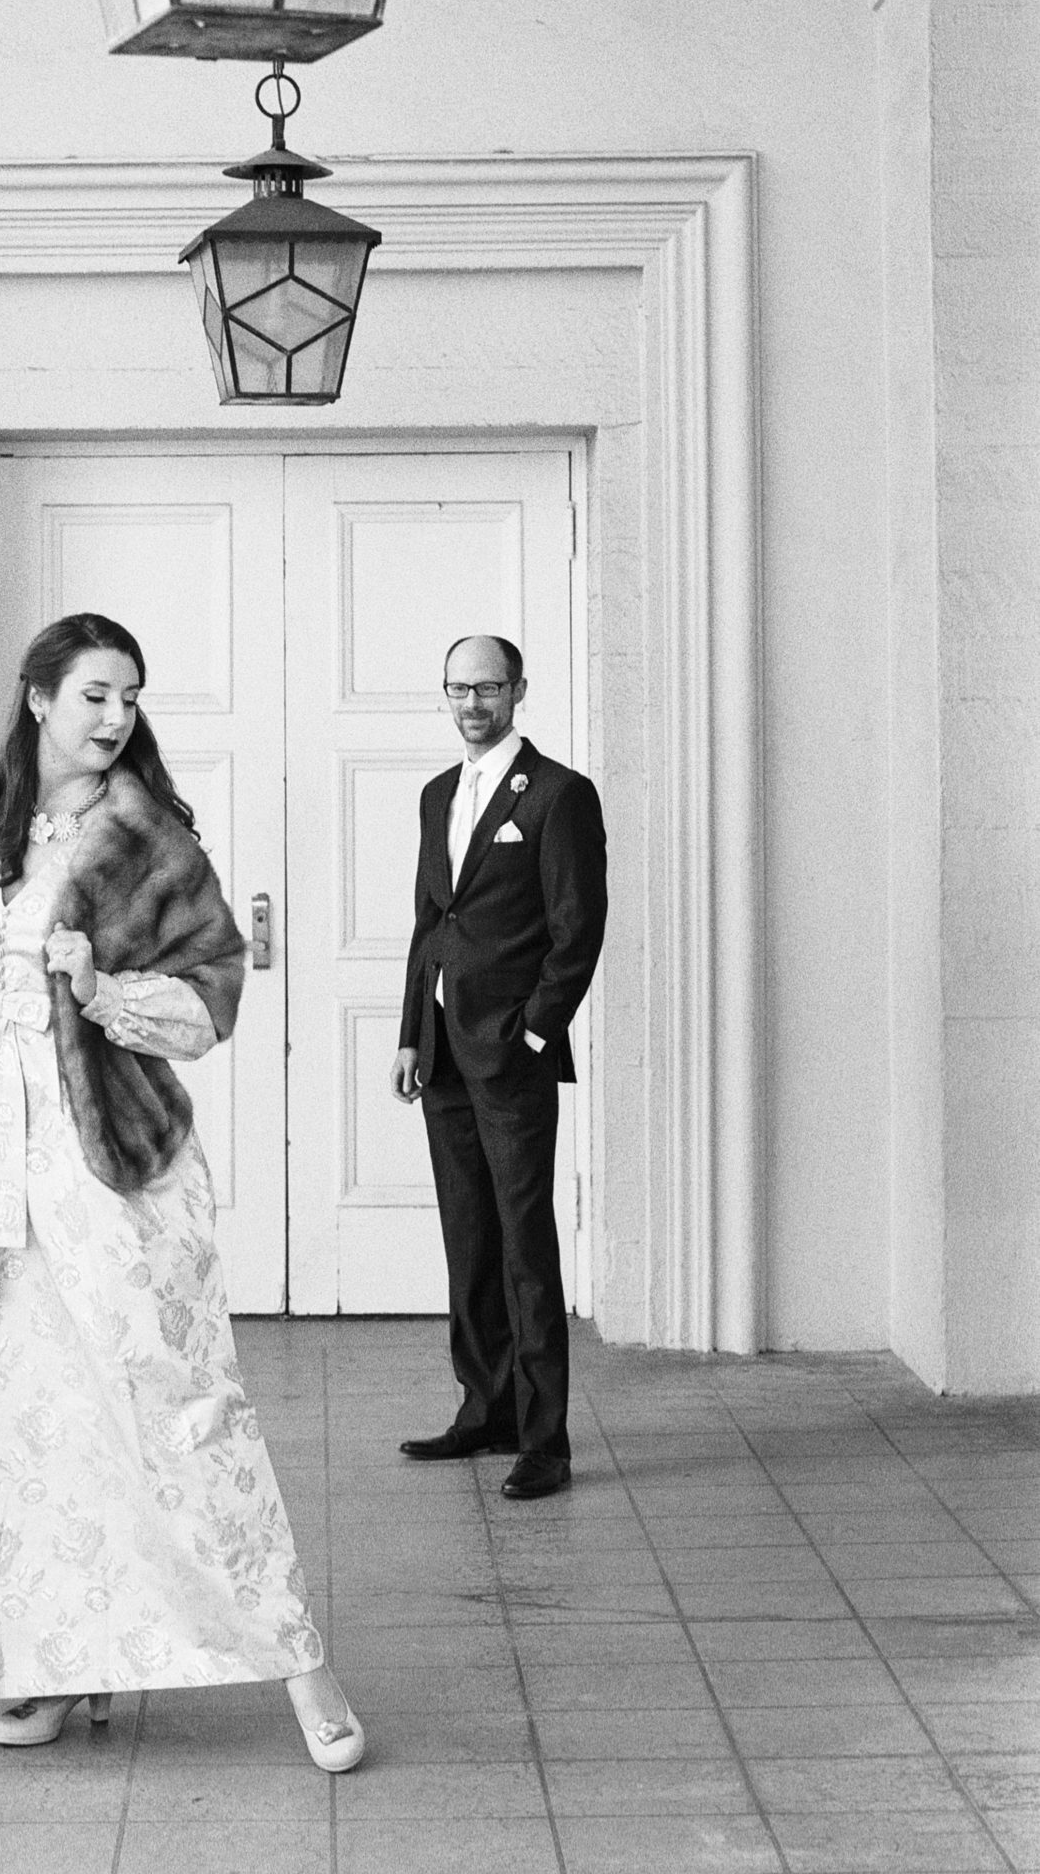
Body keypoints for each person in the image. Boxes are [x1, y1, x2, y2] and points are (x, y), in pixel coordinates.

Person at [0, 612, 364, 1768]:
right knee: (17, 1415)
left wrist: (98, 989)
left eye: (129, 695)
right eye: (95, 692)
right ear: (38, 696)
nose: (115, 715)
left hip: (103, 1156)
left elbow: (209, 1002)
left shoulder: (150, 841)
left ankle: (302, 1661)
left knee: (176, 1402)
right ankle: (58, 1660)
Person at [390, 633, 607, 1500]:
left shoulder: (557, 795)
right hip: (442, 1051)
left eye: (486, 688)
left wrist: (533, 1034)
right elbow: (429, 923)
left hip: (510, 1053)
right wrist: (411, 1034)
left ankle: (543, 1440)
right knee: (469, 1237)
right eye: (457, 688)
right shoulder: (436, 794)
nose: (471, 704)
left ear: (518, 690)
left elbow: (576, 929)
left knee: (523, 1243)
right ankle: (486, 1410)